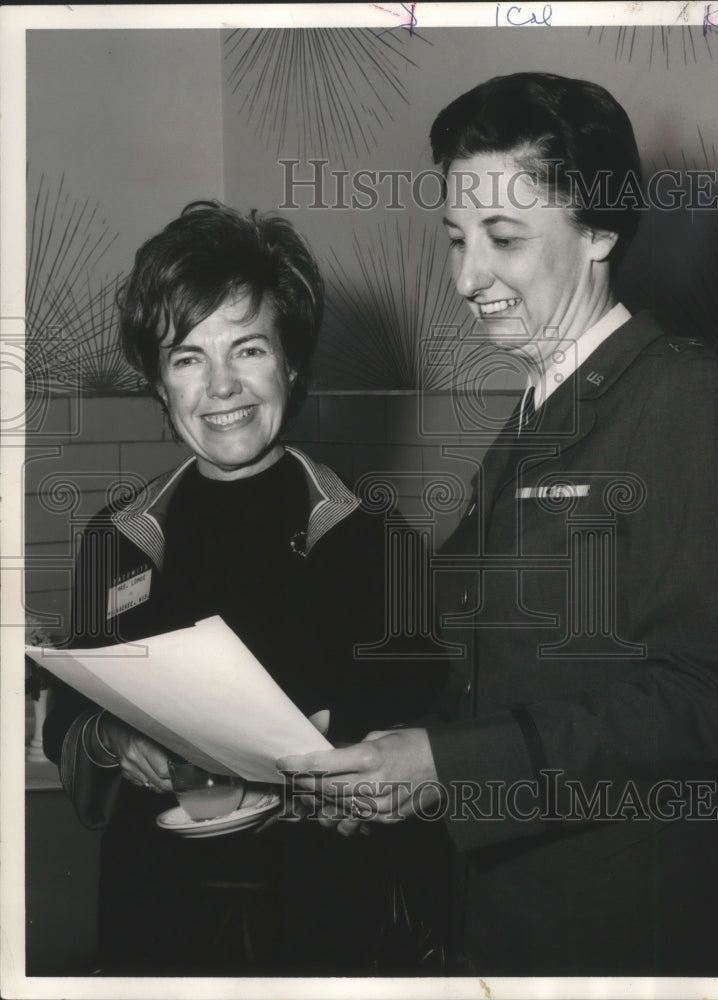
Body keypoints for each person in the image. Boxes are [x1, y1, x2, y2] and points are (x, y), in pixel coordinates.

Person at [278, 73, 718, 976]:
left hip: (629, 930)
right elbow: (490, 679)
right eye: (456, 239)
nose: (466, 279)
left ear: (600, 232)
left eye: (503, 238)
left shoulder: (685, 396)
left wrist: (448, 767)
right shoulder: (535, 415)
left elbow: (711, 702)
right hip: (506, 917)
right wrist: (383, 764)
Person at [43, 201, 446, 975]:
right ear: (160, 385)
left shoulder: (375, 539)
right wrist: (115, 741)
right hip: (155, 915)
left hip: (325, 919)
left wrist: (352, 768)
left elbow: (422, 729)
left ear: (290, 362)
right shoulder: (119, 536)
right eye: (187, 357)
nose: (220, 387)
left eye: (248, 349)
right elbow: (69, 708)